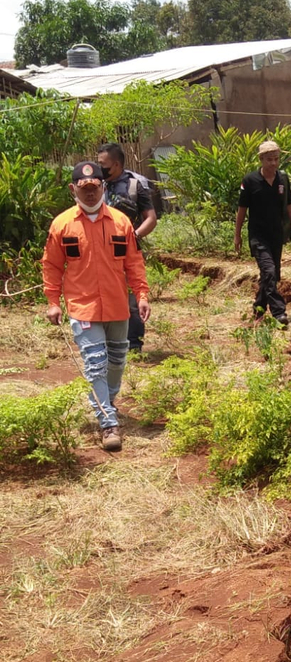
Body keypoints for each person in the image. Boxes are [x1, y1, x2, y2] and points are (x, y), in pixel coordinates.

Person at [42, 161, 150, 452]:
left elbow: (134, 263)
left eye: (95, 187)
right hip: (82, 306)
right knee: (95, 364)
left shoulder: (120, 222)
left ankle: (106, 401)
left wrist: (141, 295)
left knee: (117, 361)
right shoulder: (62, 225)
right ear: (73, 188)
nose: (90, 193)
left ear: (104, 186)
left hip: (117, 305)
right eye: (84, 187)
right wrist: (53, 303)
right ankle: (108, 422)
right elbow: (52, 266)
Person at [98, 143, 157, 352]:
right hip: (100, 253)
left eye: (102, 164)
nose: (100, 168)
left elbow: (150, 218)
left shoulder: (135, 186)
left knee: (133, 298)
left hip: (127, 251)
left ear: (115, 164)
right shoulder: (97, 185)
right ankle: (108, 343)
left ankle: (133, 346)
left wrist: (134, 235)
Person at [234, 140, 291, 326]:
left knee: (272, 275)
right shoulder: (250, 181)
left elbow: (290, 206)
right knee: (269, 271)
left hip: (276, 235)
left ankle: (258, 310)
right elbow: (242, 210)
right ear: (261, 159)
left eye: (276, 159)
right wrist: (237, 234)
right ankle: (279, 312)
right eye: (269, 159)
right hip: (258, 235)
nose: (273, 163)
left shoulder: (283, 180)